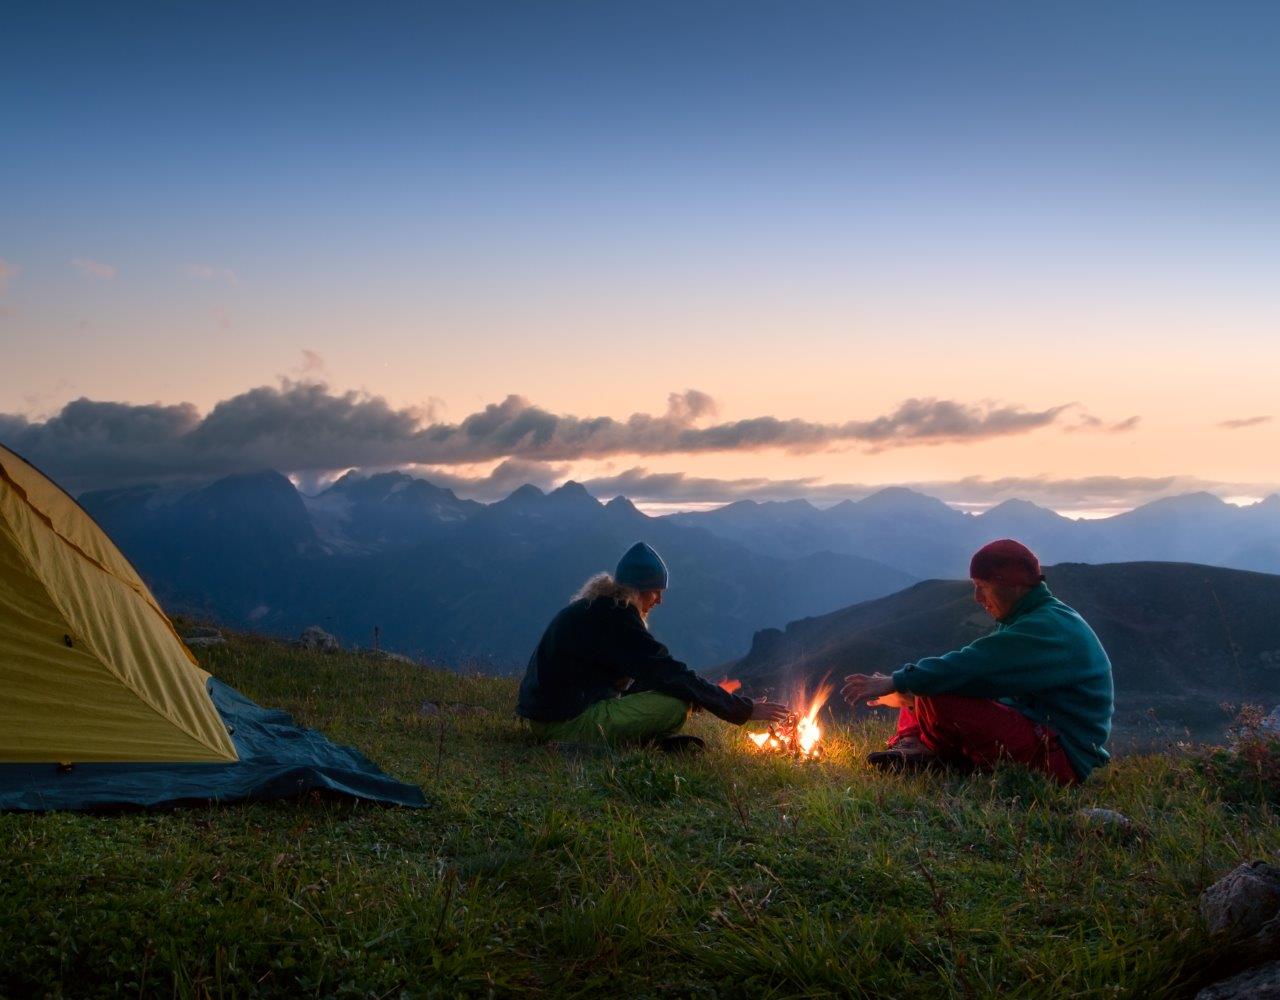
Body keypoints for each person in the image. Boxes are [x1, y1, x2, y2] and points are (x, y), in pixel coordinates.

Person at [841, 539, 1114, 785]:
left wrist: (896, 682)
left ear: (1011, 583)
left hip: (1058, 757)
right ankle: (915, 744)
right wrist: (910, 695)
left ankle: (932, 754)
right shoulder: (1029, 618)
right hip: (1042, 732)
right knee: (929, 683)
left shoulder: (1046, 627)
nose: (977, 598)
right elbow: (984, 681)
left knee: (933, 685)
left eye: (982, 587)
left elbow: (970, 667)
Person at [518, 541, 790, 748]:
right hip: (564, 724)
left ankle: (644, 743)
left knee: (675, 692)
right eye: (655, 592)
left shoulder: (599, 609)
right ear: (639, 590)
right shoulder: (618, 620)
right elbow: (667, 670)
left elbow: (651, 673)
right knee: (673, 707)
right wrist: (742, 708)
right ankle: (636, 744)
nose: (658, 600)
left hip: (548, 715)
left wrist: (700, 696)